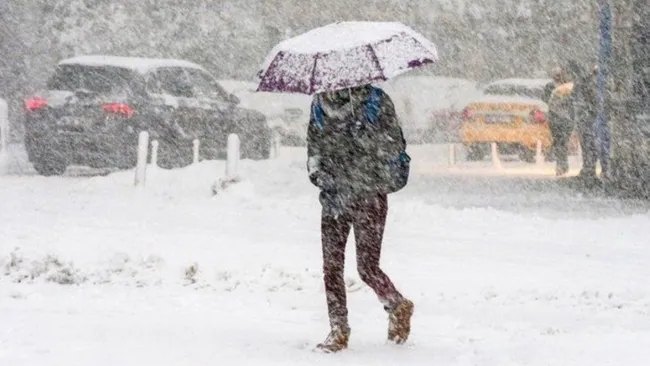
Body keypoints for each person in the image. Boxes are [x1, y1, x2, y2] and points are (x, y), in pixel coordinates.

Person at [306, 84, 414, 353]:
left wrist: (365, 144)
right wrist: (321, 175)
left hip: (370, 195)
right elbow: (314, 150)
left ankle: (397, 304)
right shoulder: (319, 104)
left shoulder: (375, 101)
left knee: (367, 267)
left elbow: (395, 143)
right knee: (331, 267)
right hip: (334, 196)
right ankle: (338, 330)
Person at [569, 62, 600, 181]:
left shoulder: (584, 82)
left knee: (589, 146)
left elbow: (574, 100)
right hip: (589, 120)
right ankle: (589, 169)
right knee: (590, 146)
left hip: (588, 120)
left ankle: (588, 169)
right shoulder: (589, 83)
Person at [546, 66, 576, 176]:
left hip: (564, 119)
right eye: (556, 74)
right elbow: (546, 99)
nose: (558, 76)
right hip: (557, 119)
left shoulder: (568, 87)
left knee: (562, 142)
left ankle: (562, 164)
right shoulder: (551, 87)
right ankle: (561, 164)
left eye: (559, 74)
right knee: (559, 142)